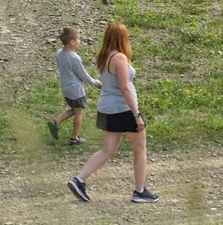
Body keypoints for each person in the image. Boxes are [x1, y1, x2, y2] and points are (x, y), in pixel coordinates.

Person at [67, 22, 159, 204]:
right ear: (122, 38)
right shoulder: (120, 58)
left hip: (106, 108)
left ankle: (79, 180)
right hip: (123, 108)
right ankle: (140, 191)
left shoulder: (104, 56)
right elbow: (125, 88)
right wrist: (136, 114)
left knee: (108, 150)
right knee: (140, 149)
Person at [47, 26, 101, 146]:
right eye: (78, 39)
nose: (80, 41)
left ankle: (55, 123)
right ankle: (74, 138)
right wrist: (96, 83)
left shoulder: (59, 53)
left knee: (74, 110)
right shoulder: (74, 58)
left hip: (65, 89)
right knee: (79, 113)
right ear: (72, 42)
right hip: (75, 90)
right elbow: (83, 75)